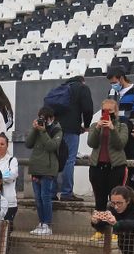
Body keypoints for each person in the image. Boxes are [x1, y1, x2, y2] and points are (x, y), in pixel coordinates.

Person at [48, 76, 93, 200]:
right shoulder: (82, 88)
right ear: (82, 81)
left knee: (55, 159)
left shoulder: (60, 89)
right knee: (69, 159)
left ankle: (52, 192)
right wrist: (87, 125)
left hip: (54, 129)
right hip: (71, 129)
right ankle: (66, 193)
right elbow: (88, 108)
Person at [87, 98, 129, 220]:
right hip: (97, 167)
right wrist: (98, 128)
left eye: (109, 110)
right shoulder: (95, 125)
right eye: (104, 110)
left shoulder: (122, 126)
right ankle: (100, 228)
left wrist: (112, 129)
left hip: (115, 167)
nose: (106, 113)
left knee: (115, 200)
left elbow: (120, 144)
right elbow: (91, 143)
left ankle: (115, 228)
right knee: (99, 200)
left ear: (115, 112)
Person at [27, 106, 63, 235]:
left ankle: (47, 224)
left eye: (45, 118)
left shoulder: (56, 130)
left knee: (45, 197)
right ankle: (41, 223)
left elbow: (51, 146)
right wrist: (34, 129)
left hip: (48, 168)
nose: (43, 121)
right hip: (36, 167)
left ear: (51, 118)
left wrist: (43, 131)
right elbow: (28, 143)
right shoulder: (37, 129)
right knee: (38, 198)